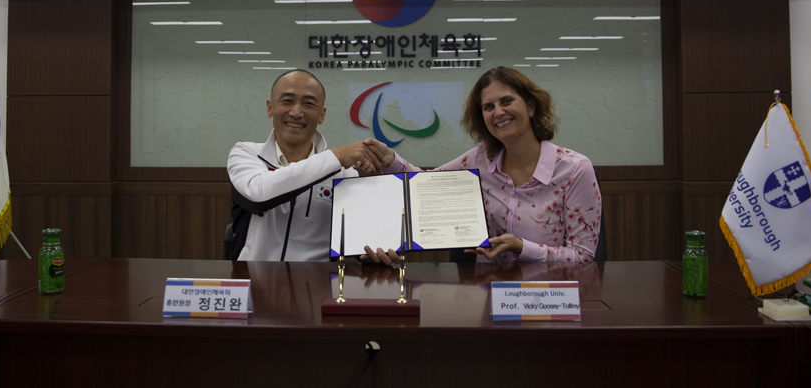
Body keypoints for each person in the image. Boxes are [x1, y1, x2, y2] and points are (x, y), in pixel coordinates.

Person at [363, 66, 602, 264]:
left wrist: (522, 248)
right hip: (486, 294)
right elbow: (426, 185)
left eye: (506, 101)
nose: (498, 112)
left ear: (530, 107)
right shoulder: (479, 159)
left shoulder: (574, 169)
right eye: (489, 107)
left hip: (549, 296)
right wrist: (390, 159)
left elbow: (582, 256)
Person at [227, 69, 381, 261]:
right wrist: (337, 156)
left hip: (319, 278)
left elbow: (359, 239)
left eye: (309, 104)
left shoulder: (344, 172)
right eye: (287, 101)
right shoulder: (246, 153)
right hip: (253, 276)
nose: (296, 112)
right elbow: (258, 195)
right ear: (270, 108)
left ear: (321, 115)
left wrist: (374, 253)